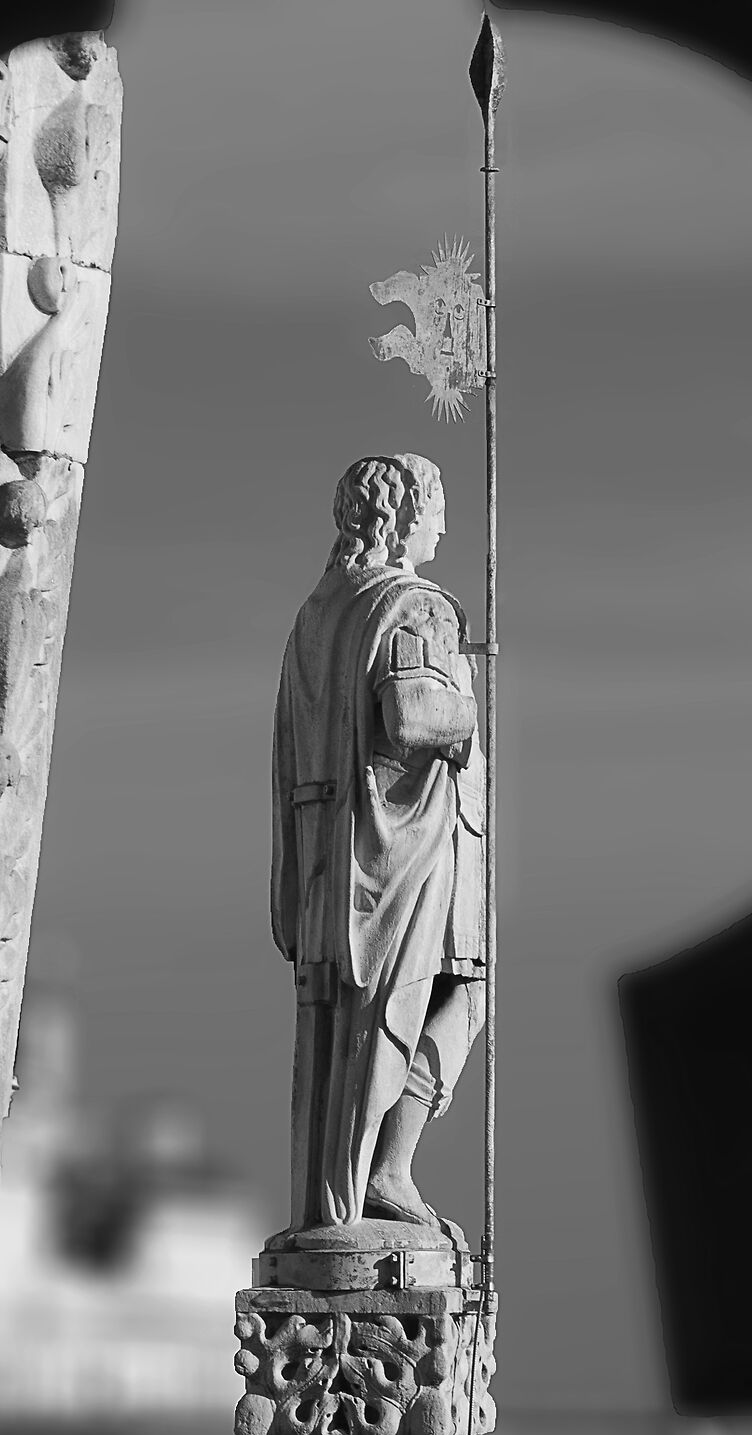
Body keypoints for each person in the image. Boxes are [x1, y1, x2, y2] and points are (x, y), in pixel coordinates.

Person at [270, 453, 486, 1241]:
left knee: (343, 1028)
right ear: (402, 516)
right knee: (459, 994)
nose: (444, 528)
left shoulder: (317, 614)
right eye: (436, 509)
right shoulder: (416, 608)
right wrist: (471, 705)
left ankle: (347, 1192)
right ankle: (388, 1171)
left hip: (329, 847)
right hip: (404, 845)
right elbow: (411, 716)